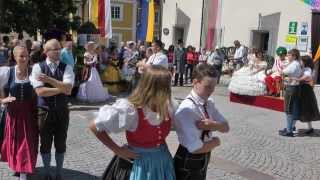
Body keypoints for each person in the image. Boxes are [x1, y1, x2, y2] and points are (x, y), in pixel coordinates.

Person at [89, 65, 176, 180]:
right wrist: (118, 150)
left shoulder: (166, 106)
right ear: (153, 89)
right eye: (166, 87)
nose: (169, 90)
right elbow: (95, 126)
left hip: (162, 162)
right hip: (139, 165)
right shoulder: (130, 110)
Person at [174, 64, 229, 180]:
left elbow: (226, 127)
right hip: (189, 159)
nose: (211, 91)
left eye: (214, 86)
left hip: (205, 154)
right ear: (195, 82)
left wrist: (213, 125)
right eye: (208, 86)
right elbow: (195, 148)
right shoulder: (187, 109)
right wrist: (216, 141)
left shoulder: (208, 102)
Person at [30, 39, 75, 180]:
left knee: (61, 143)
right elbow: (40, 92)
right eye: (55, 49)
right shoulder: (38, 67)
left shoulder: (66, 67)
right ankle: (47, 172)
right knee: (45, 143)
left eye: (59, 49)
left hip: (62, 110)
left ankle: (59, 173)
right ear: (46, 52)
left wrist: (49, 80)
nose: (58, 51)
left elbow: (69, 89)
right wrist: (62, 88)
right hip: (44, 111)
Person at [0, 46, 38, 180]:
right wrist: (3, 99)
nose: (24, 58)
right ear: (14, 57)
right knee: (16, 142)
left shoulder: (34, 71)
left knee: (27, 142)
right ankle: (18, 165)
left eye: (26, 56)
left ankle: (23, 173)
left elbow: (41, 89)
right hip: (14, 113)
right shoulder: (7, 72)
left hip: (29, 113)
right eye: (21, 56)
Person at [278, 49, 302, 137]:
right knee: (292, 109)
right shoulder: (295, 63)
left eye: (289, 55)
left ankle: (289, 131)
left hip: (291, 88)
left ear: (294, 56)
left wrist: (282, 71)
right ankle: (290, 127)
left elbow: (284, 72)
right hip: (294, 87)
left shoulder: (294, 64)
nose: (287, 56)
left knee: (288, 109)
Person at [295, 56, 320, 134]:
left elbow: (307, 77)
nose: (300, 62)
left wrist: (298, 79)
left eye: (301, 61)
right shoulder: (303, 68)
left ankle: (292, 126)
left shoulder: (308, 69)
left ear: (305, 62)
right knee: (301, 108)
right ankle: (309, 128)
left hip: (305, 91)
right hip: (304, 89)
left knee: (304, 108)